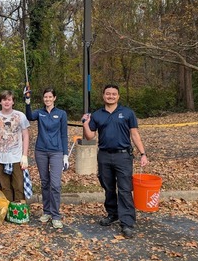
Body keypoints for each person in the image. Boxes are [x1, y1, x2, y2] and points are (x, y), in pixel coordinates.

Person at [81, 84, 149, 239]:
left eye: (113, 94)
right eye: (108, 94)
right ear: (103, 96)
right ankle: (113, 214)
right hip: (104, 155)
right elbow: (90, 136)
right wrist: (85, 122)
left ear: (118, 96)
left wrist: (143, 154)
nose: (110, 96)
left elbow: (135, 134)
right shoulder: (97, 115)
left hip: (123, 156)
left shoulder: (127, 113)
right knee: (108, 187)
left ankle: (127, 222)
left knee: (125, 189)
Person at [25, 88, 69, 229]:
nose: (48, 99)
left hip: (56, 152)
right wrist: (27, 101)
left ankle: (56, 215)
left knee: (55, 185)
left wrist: (65, 154)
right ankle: (47, 211)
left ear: (54, 98)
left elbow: (64, 134)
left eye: (50, 97)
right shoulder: (40, 113)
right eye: (45, 97)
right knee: (45, 182)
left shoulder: (61, 114)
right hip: (41, 151)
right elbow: (30, 116)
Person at [0, 90, 30, 202]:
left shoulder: (20, 116)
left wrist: (24, 156)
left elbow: (26, 136)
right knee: (5, 187)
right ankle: (9, 211)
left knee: (19, 186)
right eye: (4, 99)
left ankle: (19, 212)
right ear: (0, 102)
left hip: (16, 158)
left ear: (13, 102)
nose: (7, 102)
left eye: (9, 99)